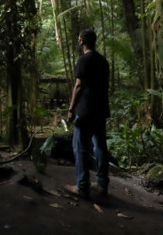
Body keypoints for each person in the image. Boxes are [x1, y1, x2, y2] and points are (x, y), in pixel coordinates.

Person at [64, 28, 110, 200]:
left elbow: (79, 86)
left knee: (80, 147)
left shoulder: (84, 60)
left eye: (79, 39)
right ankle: (102, 184)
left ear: (82, 40)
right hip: (101, 110)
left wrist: (71, 110)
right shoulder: (103, 61)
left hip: (86, 111)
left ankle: (82, 186)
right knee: (100, 146)